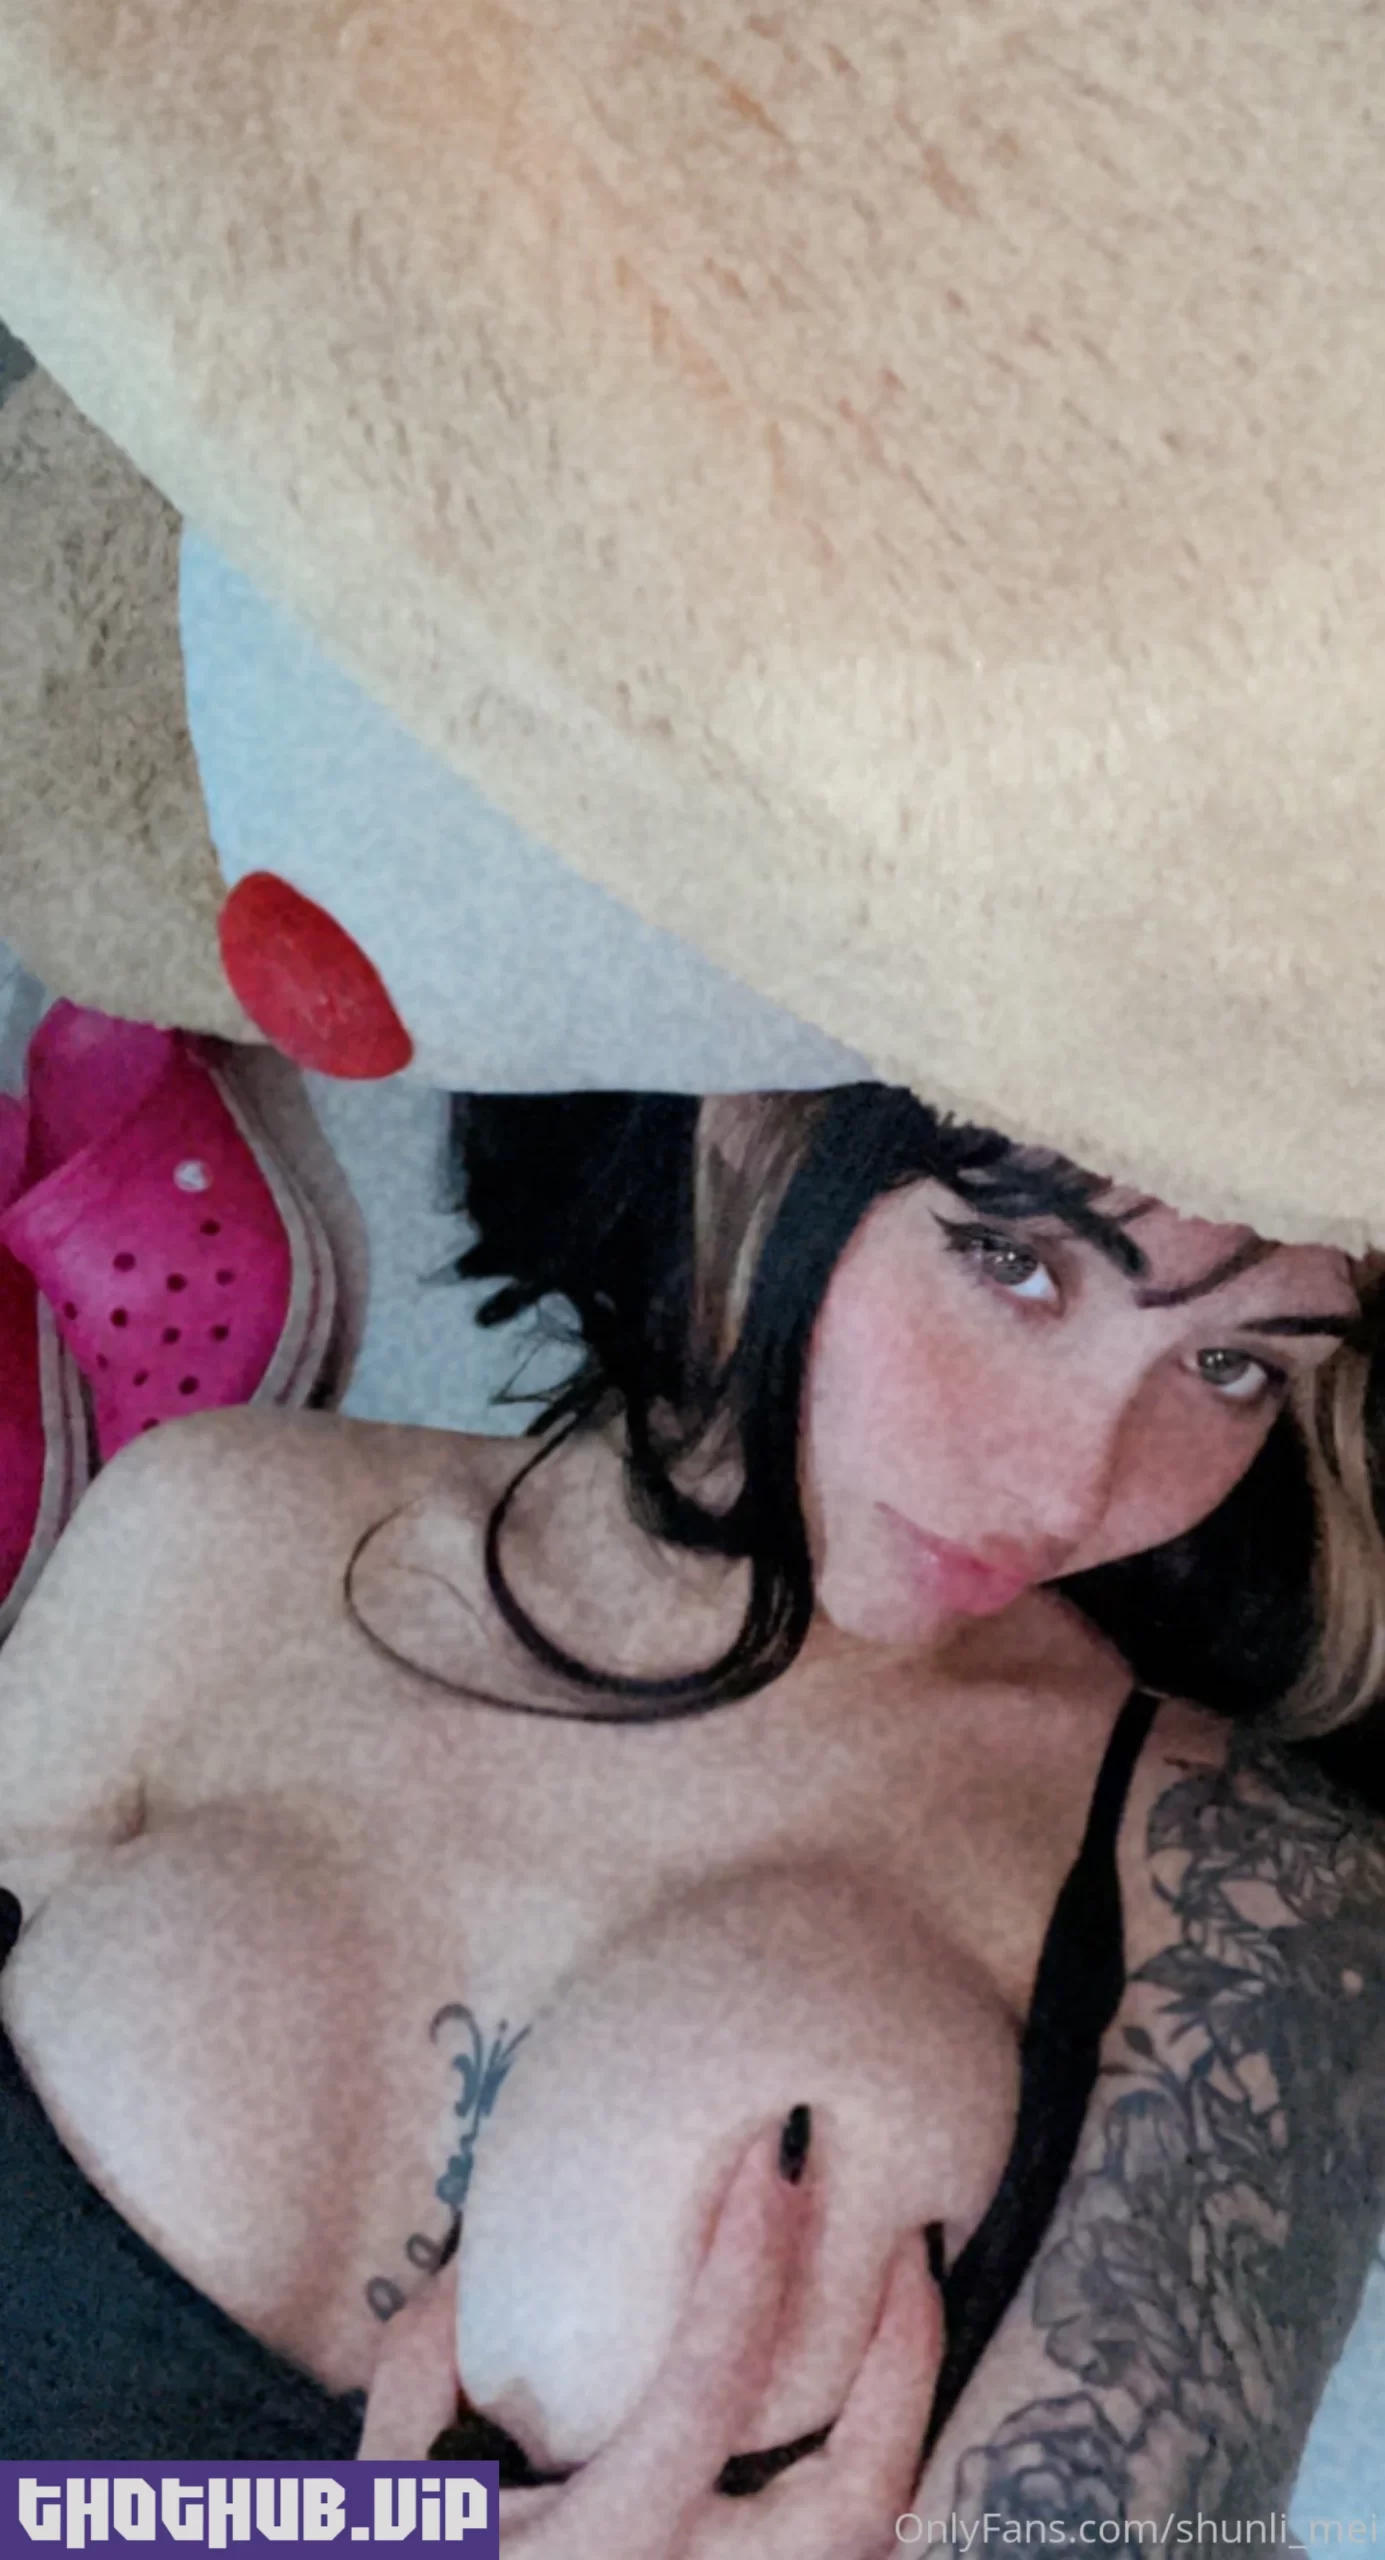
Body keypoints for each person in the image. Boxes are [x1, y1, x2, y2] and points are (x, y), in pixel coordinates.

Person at [2, 1082, 1384, 2545]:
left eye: (1231, 1364)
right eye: (1012, 1259)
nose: (1066, 1486)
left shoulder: (1245, 1889)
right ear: (763, 1113)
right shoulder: (204, 1538)